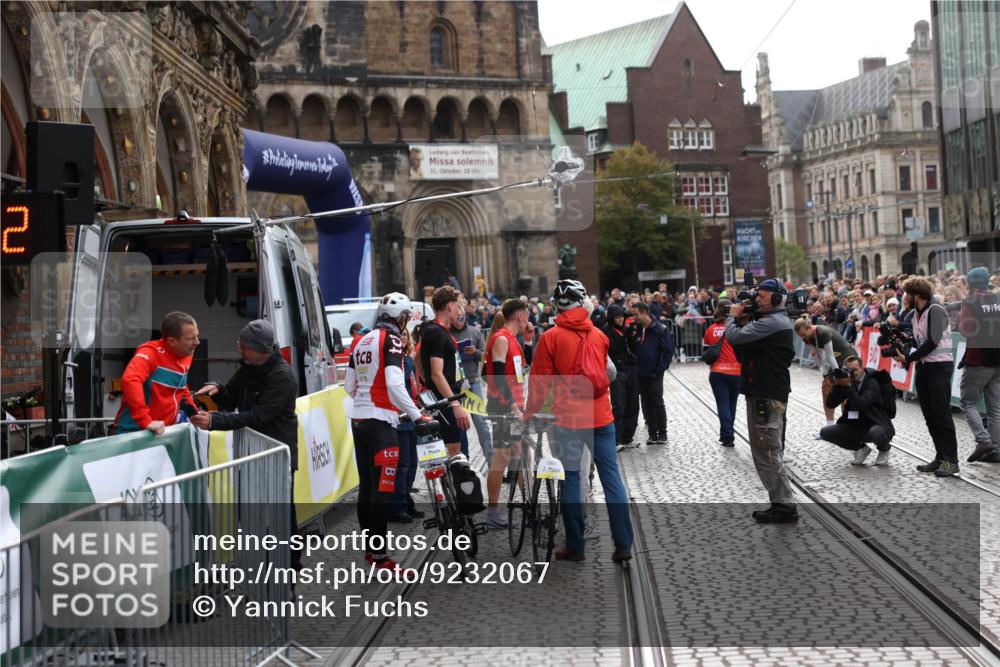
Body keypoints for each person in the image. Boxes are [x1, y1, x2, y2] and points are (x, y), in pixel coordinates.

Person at [524, 279, 634, 563]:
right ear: (582, 303)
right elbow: (608, 373)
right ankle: (623, 544)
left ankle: (576, 545)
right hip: (601, 416)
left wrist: (530, 413)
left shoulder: (551, 337)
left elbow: (539, 383)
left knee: (571, 478)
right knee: (612, 478)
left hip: (569, 419)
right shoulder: (599, 336)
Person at [190, 319, 301, 569]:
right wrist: (217, 389)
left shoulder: (282, 377)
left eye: (243, 346)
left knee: (281, 518)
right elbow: (231, 398)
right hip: (252, 455)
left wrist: (213, 422)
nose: (239, 350)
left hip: (275, 457)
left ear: (260, 350)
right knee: (250, 514)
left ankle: (289, 573)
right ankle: (260, 568)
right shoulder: (249, 367)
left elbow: (258, 416)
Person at [344, 293, 426, 569]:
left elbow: (349, 386)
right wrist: (417, 415)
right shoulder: (391, 338)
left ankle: (370, 552)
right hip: (381, 422)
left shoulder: (361, 340)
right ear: (402, 319)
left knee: (367, 488)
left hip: (359, 419)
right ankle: (380, 557)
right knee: (382, 490)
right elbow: (394, 382)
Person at [726, 278, 797, 523]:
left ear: (777, 299)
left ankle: (784, 507)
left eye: (763, 296)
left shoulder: (772, 323)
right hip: (763, 391)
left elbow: (734, 338)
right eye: (758, 295)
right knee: (767, 450)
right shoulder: (770, 322)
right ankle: (781, 503)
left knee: (767, 451)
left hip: (766, 394)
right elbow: (742, 351)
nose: (757, 300)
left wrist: (733, 317)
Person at [894, 276, 960, 477]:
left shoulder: (936, 310)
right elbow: (919, 338)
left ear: (918, 294)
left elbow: (932, 342)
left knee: (941, 414)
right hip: (924, 368)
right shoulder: (916, 313)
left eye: (908, 293)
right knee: (930, 415)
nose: (905, 297)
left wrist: (909, 358)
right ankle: (940, 457)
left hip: (939, 367)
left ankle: (951, 460)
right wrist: (902, 337)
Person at [482, 299, 535, 528]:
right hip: (504, 408)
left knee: (523, 455)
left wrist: (529, 341)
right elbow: (499, 377)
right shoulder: (502, 339)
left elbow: (525, 368)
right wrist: (513, 406)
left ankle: (529, 506)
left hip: (515, 407)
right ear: (520, 316)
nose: (529, 320)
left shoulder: (513, 339)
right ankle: (493, 511)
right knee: (501, 458)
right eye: (527, 315)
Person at [113, 311, 199, 435]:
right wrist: (145, 420)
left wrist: (194, 413)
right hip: (134, 432)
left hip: (162, 432)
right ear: (172, 341)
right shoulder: (150, 352)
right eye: (191, 338)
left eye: (197, 336)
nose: (197, 342)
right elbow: (130, 380)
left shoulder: (186, 354)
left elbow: (181, 385)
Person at [419, 286, 472, 456]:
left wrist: (426, 383)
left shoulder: (435, 330)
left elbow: (417, 359)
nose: (459, 311)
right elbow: (436, 373)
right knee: (454, 454)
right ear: (449, 306)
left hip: (445, 398)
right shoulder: (437, 333)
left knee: (458, 451)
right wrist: (455, 405)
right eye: (457, 306)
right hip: (447, 403)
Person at [956, 267, 1000, 463]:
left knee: (967, 402)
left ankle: (983, 440)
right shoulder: (998, 299)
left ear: (971, 285)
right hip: (998, 359)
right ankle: (996, 450)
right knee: (995, 408)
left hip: (979, 359)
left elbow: (966, 329)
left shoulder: (971, 302)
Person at [819, 355, 894, 466]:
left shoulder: (872, 383)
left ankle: (884, 449)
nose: (852, 373)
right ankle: (861, 449)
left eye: (855, 370)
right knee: (825, 432)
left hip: (877, 425)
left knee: (876, 432)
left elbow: (861, 404)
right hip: (857, 426)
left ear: (862, 369)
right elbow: (830, 404)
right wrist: (837, 386)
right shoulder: (847, 381)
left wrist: (848, 387)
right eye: (849, 370)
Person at [794, 317, 855, 439]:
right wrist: (825, 375)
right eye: (800, 336)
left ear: (810, 328)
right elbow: (817, 358)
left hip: (847, 356)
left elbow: (830, 355)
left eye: (804, 334)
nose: (803, 338)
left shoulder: (823, 332)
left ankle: (850, 427)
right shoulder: (807, 338)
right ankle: (829, 427)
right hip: (835, 361)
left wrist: (837, 373)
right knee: (826, 389)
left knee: (846, 392)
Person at [389, 328, 426, 522]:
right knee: (402, 465)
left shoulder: (408, 360)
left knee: (412, 463)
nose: (402, 338)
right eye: (399, 336)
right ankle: (398, 507)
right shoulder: (394, 362)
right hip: (400, 418)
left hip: (413, 416)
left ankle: (406, 502)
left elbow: (414, 387)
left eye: (405, 335)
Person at [451, 299, 493, 465]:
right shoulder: (447, 333)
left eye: (461, 315)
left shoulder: (475, 332)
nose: (459, 318)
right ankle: (464, 461)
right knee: (459, 424)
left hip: (472, 382)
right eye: (456, 316)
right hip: (454, 385)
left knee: (480, 422)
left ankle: (491, 460)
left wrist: (475, 352)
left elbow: (485, 356)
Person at [632, 302, 673, 445]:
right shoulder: (637, 329)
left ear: (645, 312)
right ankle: (652, 434)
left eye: (636, 314)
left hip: (654, 373)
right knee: (646, 403)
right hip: (641, 373)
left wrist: (659, 370)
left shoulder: (660, 329)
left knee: (657, 402)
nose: (634, 317)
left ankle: (662, 433)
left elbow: (667, 351)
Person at [704, 300, 741, 447]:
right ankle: (727, 433)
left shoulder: (710, 329)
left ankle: (727, 435)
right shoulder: (736, 328)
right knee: (732, 404)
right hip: (736, 372)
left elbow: (706, 352)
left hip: (717, 372)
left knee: (722, 404)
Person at [603, 304, 641, 450]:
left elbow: (634, 349)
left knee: (633, 404)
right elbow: (610, 351)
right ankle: (617, 439)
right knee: (619, 406)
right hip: (617, 371)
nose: (620, 320)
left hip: (630, 369)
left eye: (622, 317)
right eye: (617, 317)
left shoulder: (626, 330)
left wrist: (631, 337)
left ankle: (628, 436)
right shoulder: (605, 332)